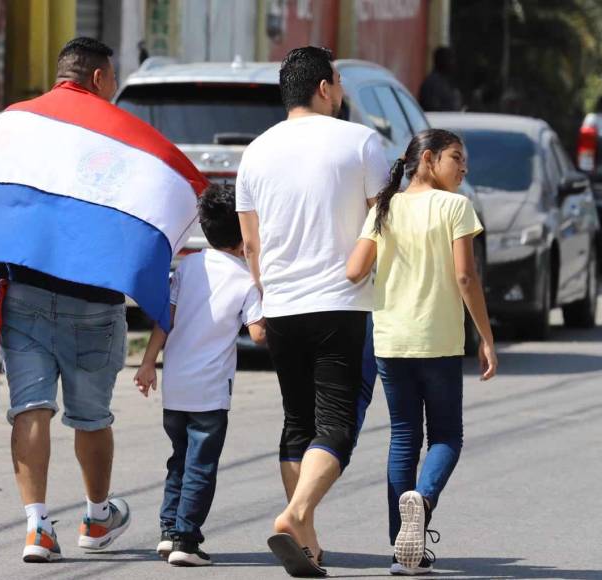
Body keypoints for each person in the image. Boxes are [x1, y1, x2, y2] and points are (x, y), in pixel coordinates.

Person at [236, 46, 390, 577]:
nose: (342, 92)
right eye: (340, 83)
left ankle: (307, 538)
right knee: (337, 425)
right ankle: (295, 513)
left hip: (280, 306)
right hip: (341, 304)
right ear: (323, 87)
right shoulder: (361, 141)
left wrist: (258, 302)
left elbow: (250, 244)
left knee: (298, 420)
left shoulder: (255, 152)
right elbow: (382, 225)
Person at [0, 37, 131, 564]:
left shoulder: (16, 123)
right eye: (114, 78)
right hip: (93, 300)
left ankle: (37, 527)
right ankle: (97, 518)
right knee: (91, 417)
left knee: (30, 408)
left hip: (26, 291)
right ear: (99, 78)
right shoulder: (118, 135)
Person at [346, 129, 497, 575]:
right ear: (428, 159)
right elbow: (466, 278)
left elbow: (355, 270)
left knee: (403, 438)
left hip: (390, 340)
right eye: (457, 157)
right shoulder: (455, 207)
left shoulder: (385, 208)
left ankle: (403, 551)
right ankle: (424, 500)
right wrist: (486, 337)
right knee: (447, 436)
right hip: (438, 341)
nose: (464, 167)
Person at [134, 184, 266, 567]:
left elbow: (165, 322)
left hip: (175, 387)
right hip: (210, 392)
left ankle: (168, 530)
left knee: (179, 459)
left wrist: (147, 363)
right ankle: (186, 540)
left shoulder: (186, 268)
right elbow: (259, 334)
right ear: (244, 233)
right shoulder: (245, 280)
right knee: (200, 466)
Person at [418, 46, 462, 112]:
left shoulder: (445, 81)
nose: (453, 63)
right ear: (441, 61)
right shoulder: (432, 83)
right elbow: (433, 109)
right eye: (450, 59)